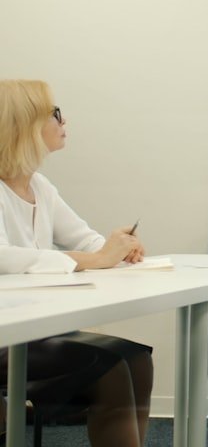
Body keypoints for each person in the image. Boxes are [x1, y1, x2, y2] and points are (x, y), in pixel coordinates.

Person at [0, 79, 154, 447]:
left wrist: (117, 249)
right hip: (7, 334)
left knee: (136, 360)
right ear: (25, 125)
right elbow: (5, 257)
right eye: (54, 114)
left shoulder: (40, 186)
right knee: (112, 370)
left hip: (33, 329)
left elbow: (84, 241)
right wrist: (97, 258)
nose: (63, 119)